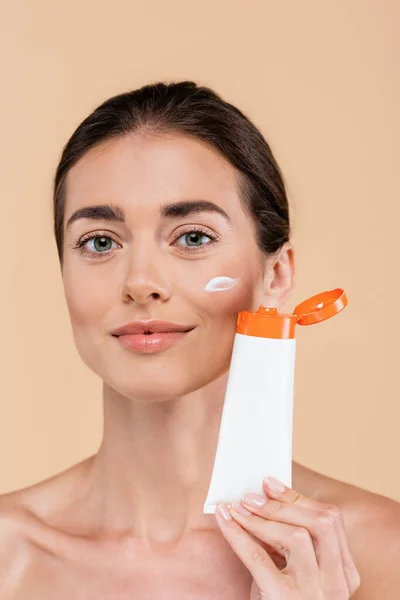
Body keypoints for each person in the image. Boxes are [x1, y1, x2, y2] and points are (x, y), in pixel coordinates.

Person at [0, 80, 399, 599]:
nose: (140, 282)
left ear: (276, 275)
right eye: (100, 242)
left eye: (192, 237)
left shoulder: (379, 554)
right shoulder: (10, 555)